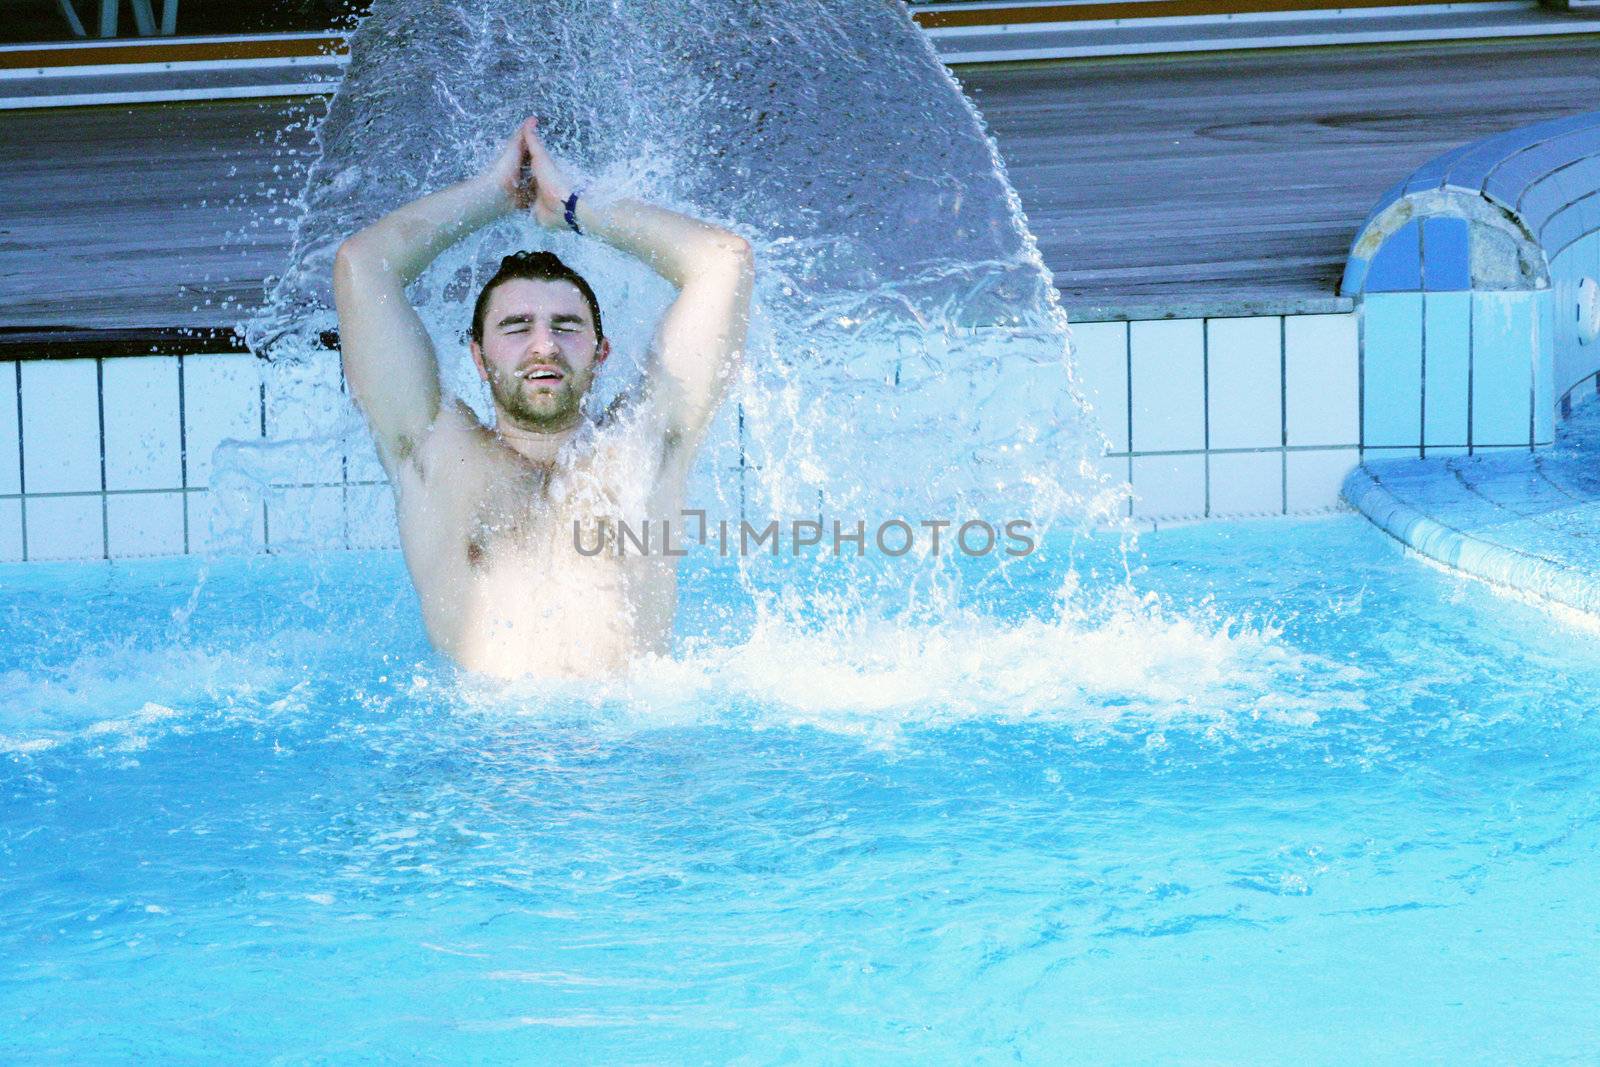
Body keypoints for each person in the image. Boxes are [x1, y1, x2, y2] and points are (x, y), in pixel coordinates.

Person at [332, 116, 754, 679]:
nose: (544, 345)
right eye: (515, 327)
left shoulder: (645, 442)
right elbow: (362, 266)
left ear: (601, 353)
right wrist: (490, 196)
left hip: (627, 752)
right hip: (485, 752)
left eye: (566, 325)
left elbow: (723, 262)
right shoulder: (434, 450)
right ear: (479, 359)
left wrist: (574, 208)